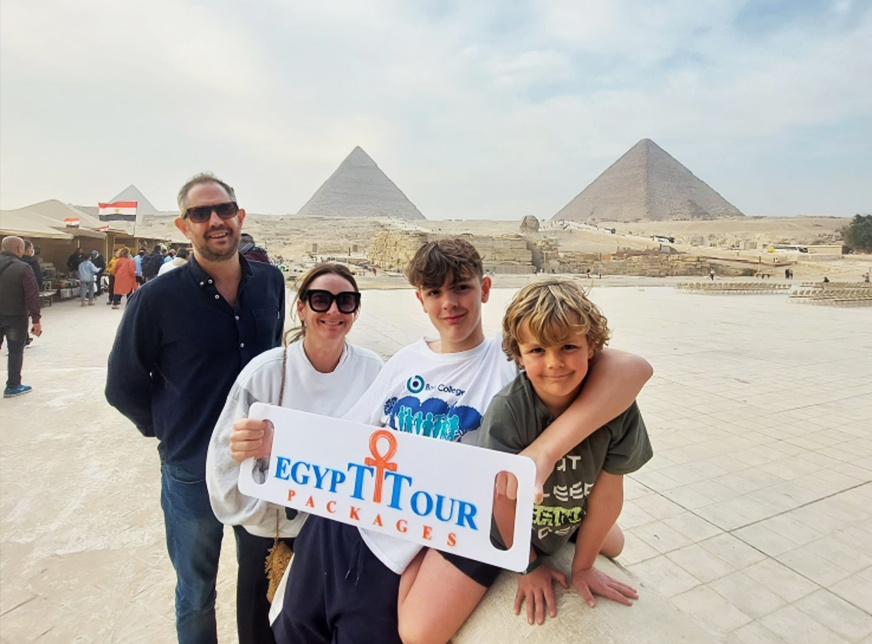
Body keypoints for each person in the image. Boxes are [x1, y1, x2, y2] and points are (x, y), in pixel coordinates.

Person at [257, 238, 651, 644]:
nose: (449, 303)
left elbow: (631, 368)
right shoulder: (405, 361)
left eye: (461, 287)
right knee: (295, 630)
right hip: (350, 526)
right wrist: (274, 445)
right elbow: (346, 437)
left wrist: (543, 452)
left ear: (484, 288)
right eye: (434, 292)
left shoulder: (515, 358)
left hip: (414, 544)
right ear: (420, 299)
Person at [105, 173, 286, 644]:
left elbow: (275, 360)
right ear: (183, 226)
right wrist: (171, 429)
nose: (215, 220)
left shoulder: (270, 282)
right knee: (196, 590)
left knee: (262, 582)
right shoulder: (155, 300)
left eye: (224, 209)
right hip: (191, 469)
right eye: (201, 213)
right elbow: (122, 385)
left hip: (257, 465)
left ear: (239, 216)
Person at [206, 263, 383, 644]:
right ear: (300, 308)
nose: (333, 311)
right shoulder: (265, 373)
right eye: (320, 300)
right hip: (273, 538)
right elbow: (222, 464)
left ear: (355, 310)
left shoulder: (374, 371)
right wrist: (260, 506)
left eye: (345, 301)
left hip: (340, 538)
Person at [481, 279, 652, 626]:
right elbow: (501, 501)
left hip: (567, 515)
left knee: (615, 544)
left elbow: (608, 493)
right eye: (538, 350)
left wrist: (583, 567)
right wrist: (528, 566)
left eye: (568, 347)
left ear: (592, 347)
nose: (555, 362)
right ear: (518, 355)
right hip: (517, 524)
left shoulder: (617, 410)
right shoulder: (508, 412)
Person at [0, 236, 42, 397]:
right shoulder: (24, 268)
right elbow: (32, 296)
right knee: (15, 351)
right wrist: (36, 319)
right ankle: (12, 386)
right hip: (15, 316)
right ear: (19, 249)